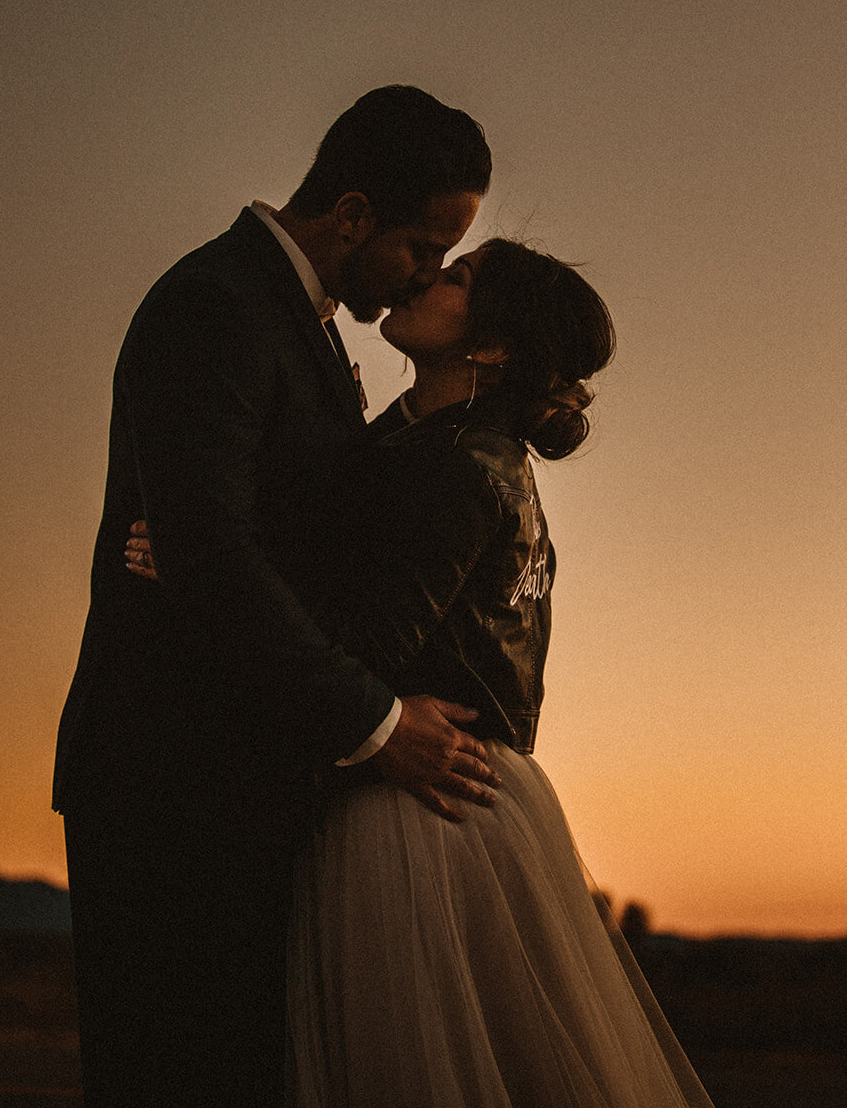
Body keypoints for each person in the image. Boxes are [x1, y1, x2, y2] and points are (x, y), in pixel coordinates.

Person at [130, 238, 716, 1107]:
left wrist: (202, 576)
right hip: (474, 799)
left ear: (490, 347)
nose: (424, 276)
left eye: (458, 278)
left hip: (419, 811)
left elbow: (367, 651)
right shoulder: (448, 448)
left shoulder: (456, 467)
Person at [53, 86, 497, 1108]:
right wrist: (380, 725)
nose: (427, 273)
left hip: (243, 783)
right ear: (349, 214)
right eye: (423, 247)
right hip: (171, 787)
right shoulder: (217, 303)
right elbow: (209, 553)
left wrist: (237, 556)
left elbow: (245, 543)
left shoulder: (294, 319)